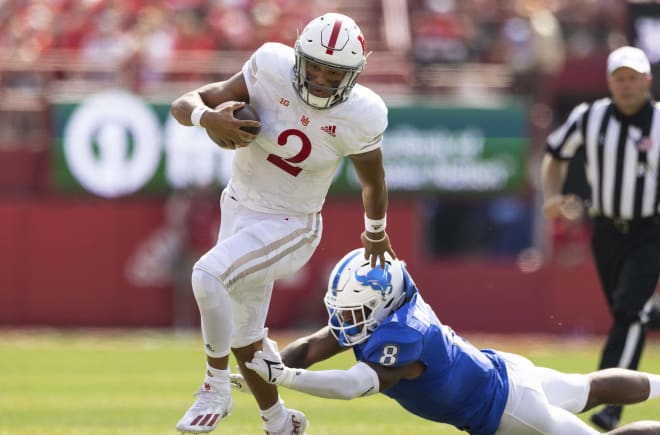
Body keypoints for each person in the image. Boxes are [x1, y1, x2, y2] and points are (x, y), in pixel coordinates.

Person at [169, 12, 396, 435]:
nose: (324, 79)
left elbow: (373, 180)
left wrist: (375, 231)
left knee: (207, 274)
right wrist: (209, 118)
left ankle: (214, 388)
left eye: (336, 72)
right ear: (298, 58)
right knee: (243, 337)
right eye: (316, 67)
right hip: (238, 206)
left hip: (292, 224)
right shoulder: (270, 65)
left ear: (354, 74)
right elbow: (185, 103)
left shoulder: (362, 113)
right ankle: (280, 422)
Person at [238, 248, 660, 435]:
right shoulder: (387, 306)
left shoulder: (403, 335)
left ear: (381, 303)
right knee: (585, 388)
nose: (344, 322)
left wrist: (285, 377)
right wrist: (269, 368)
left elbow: (353, 386)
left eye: (353, 312)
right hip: (504, 371)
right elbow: (312, 346)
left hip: (508, 410)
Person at [541, 45, 660, 430]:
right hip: (606, 228)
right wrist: (553, 197)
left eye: (634, 78)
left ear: (648, 81)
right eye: (620, 78)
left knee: (630, 313)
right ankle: (644, 321)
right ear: (610, 82)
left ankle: (609, 404)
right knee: (624, 314)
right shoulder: (589, 117)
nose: (627, 86)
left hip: (650, 228)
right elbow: (555, 153)